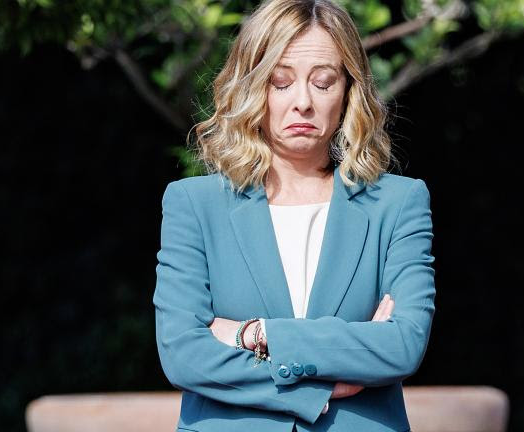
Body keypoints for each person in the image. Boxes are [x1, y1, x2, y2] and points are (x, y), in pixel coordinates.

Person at [152, 0, 435, 431]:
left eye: (323, 83)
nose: (303, 102)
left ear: (348, 91)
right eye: (280, 82)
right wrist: (325, 381)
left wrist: (256, 333)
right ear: (251, 88)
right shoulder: (194, 204)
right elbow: (183, 356)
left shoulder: (398, 203)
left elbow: (402, 345)